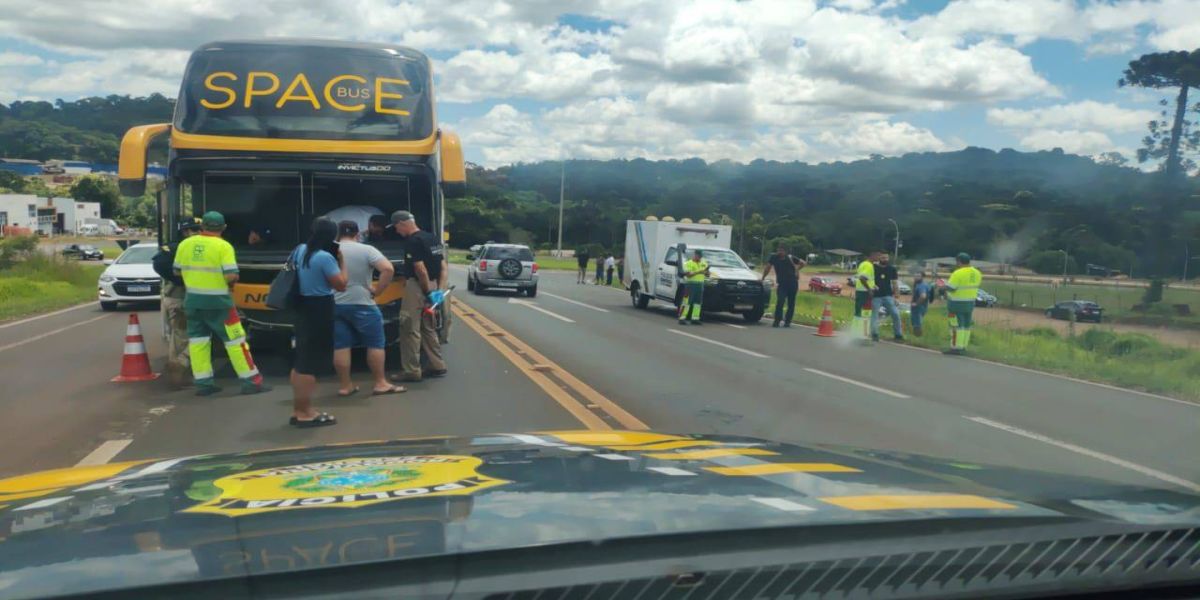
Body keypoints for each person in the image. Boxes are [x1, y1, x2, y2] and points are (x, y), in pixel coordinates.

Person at [172, 211, 270, 396]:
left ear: (202, 226)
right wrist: (232, 281)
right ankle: (251, 381)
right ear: (223, 228)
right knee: (235, 341)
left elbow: (177, 271)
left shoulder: (185, 244)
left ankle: (203, 384)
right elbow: (231, 276)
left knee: (198, 342)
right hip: (220, 304)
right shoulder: (223, 246)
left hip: (193, 302)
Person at [331, 220, 402, 397]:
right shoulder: (367, 250)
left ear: (338, 233)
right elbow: (388, 269)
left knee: (341, 345)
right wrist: (378, 291)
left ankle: (345, 386)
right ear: (357, 234)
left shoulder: (329, 250)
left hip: (335, 303)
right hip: (362, 303)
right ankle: (380, 383)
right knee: (375, 343)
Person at [289, 218, 347, 427]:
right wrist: (342, 262)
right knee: (309, 365)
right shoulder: (325, 257)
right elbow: (341, 285)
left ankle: (299, 409)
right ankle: (305, 413)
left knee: (301, 361)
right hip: (319, 309)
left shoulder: (299, 250)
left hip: (301, 306)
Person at [392, 210, 448, 382]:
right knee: (428, 327)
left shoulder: (412, 241)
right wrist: (438, 291)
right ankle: (437, 365)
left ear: (402, 223)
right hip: (434, 284)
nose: (396, 231)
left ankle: (412, 371)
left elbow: (420, 269)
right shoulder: (432, 238)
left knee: (409, 327)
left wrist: (426, 291)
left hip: (418, 287)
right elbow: (443, 267)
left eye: (396, 227)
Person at [153, 218, 201, 387]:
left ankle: (178, 373)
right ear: (185, 232)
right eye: (194, 230)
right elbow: (159, 264)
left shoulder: (180, 247)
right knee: (188, 336)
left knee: (178, 336)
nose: (198, 233)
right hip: (180, 299)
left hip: (173, 298)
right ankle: (180, 365)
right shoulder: (182, 248)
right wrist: (182, 280)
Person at [942, 252, 983, 355]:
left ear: (959, 262)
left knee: (955, 325)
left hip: (956, 303)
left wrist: (942, 286)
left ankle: (955, 347)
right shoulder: (977, 273)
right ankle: (964, 347)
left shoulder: (958, 273)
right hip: (970, 303)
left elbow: (951, 288)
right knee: (966, 325)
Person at [762, 245, 806, 328]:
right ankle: (777, 321)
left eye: (782, 251)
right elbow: (768, 267)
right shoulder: (774, 257)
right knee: (780, 302)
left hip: (792, 283)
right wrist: (763, 277)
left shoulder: (790, 258)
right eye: (778, 250)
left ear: (785, 252)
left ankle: (788, 321)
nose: (780, 252)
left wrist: (797, 269)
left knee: (791, 303)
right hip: (782, 284)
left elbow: (803, 263)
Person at [870, 253, 904, 342]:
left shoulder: (892, 269)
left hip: (888, 296)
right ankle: (874, 334)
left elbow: (895, 283)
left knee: (895, 314)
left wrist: (896, 296)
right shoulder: (873, 268)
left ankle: (898, 335)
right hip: (876, 296)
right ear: (879, 258)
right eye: (883, 257)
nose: (885, 259)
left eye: (886, 257)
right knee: (874, 315)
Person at [852, 251, 880, 340]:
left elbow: (866, 278)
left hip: (860, 291)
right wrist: (869, 289)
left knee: (858, 313)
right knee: (866, 314)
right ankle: (863, 334)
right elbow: (863, 278)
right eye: (878, 256)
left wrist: (873, 285)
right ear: (872, 255)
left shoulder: (862, 264)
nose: (879, 258)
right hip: (865, 293)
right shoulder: (869, 265)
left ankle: (854, 333)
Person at [679, 249, 709, 325]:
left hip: (700, 285)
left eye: (700, 256)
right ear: (695, 255)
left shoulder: (704, 263)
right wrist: (699, 272)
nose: (699, 258)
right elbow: (688, 275)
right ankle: (682, 318)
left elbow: (707, 274)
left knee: (698, 303)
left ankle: (695, 318)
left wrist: (707, 272)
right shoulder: (688, 263)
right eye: (698, 256)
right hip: (690, 285)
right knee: (686, 302)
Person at [910, 271, 932, 337]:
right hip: (921, 307)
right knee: (916, 324)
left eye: (918, 276)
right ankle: (916, 337)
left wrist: (916, 304)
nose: (916, 277)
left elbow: (923, 296)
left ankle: (917, 338)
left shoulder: (921, 286)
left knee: (917, 325)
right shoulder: (922, 285)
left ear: (922, 277)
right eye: (915, 276)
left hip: (918, 308)